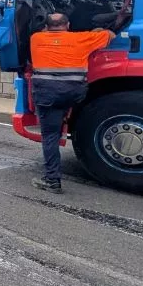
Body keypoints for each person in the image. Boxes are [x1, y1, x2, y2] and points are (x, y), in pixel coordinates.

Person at [29, 12, 116, 193]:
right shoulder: (82, 39)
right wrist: (98, 31)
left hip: (47, 95)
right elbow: (110, 35)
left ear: (46, 27)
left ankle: (52, 180)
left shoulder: (35, 38)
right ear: (68, 25)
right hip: (73, 94)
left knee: (50, 136)